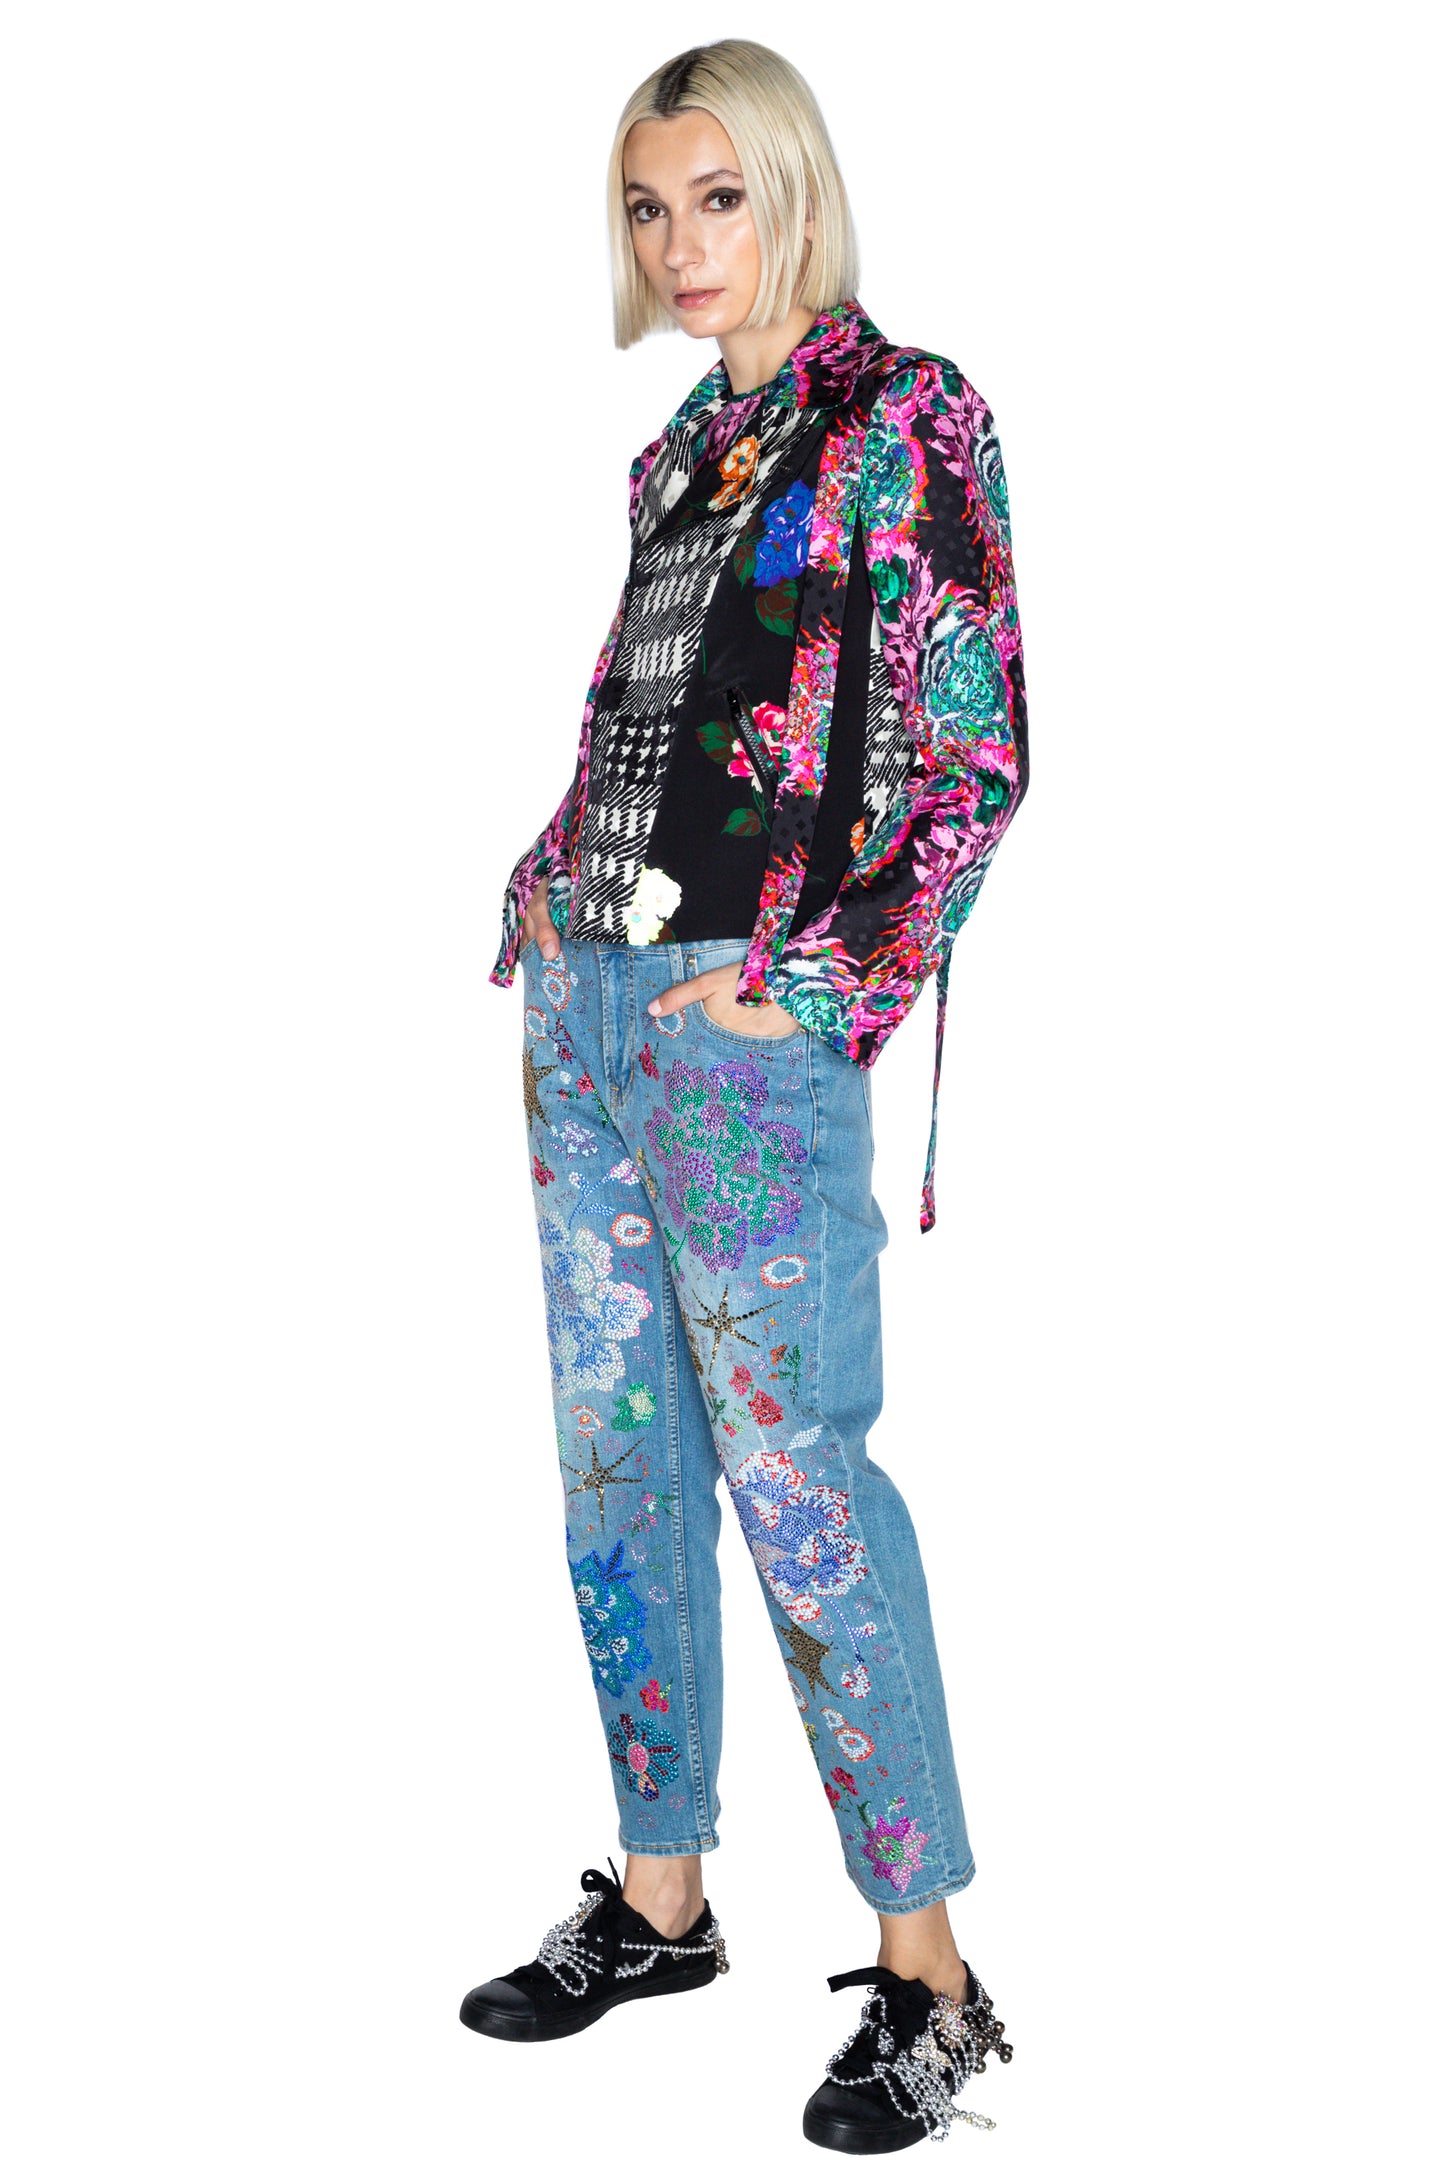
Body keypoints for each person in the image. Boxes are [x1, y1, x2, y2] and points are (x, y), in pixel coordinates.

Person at [459, 38, 1028, 2151]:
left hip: (742, 1031)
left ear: (791, 191)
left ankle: (933, 1977)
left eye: (716, 197)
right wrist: (545, 879)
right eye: (647, 206)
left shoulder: (909, 420)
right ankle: (662, 1895)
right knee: (620, 1472)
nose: (681, 243)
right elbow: (659, 720)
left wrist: (818, 985)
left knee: (801, 1493)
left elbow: (972, 758)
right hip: (590, 1007)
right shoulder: (678, 456)